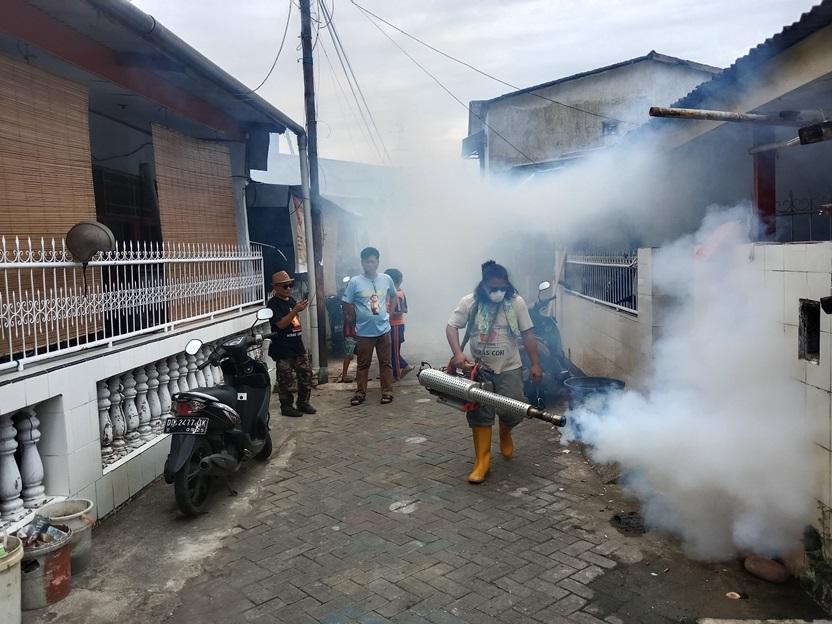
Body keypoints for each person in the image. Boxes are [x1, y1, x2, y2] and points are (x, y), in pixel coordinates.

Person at [446, 260, 543, 484]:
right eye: (493, 288)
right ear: (484, 285)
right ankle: (483, 462)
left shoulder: (516, 303)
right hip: (479, 369)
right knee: (480, 414)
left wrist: (536, 364)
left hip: (510, 366)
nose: (499, 292)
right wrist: (458, 356)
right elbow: (451, 327)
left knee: (514, 408)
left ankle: (506, 432)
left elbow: (528, 333)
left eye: (503, 288)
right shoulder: (469, 302)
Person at [342, 247, 397, 406]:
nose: (370, 264)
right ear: (362, 263)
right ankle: (360, 393)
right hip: (364, 332)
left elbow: (393, 295)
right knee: (363, 364)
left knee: (385, 363)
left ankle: (387, 392)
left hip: (383, 330)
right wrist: (351, 316)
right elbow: (346, 302)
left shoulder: (386, 279)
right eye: (367, 261)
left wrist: (391, 313)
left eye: (373, 261)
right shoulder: (355, 282)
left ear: (378, 262)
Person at [267, 270, 316, 417]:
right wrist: (295, 310)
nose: (289, 288)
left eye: (290, 285)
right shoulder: (273, 304)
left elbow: (295, 321)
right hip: (282, 348)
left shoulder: (292, 301)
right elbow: (280, 324)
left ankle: (303, 402)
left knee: (306, 375)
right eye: (285, 286)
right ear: (275, 287)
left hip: (297, 346)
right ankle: (287, 406)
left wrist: (297, 308)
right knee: (286, 380)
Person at [385, 268, 413, 381]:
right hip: (391, 325)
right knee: (391, 351)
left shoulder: (397, 293)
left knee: (394, 352)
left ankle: (396, 374)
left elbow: (402, 310)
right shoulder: (394, 292)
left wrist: (387, 313)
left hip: (395, 325)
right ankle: (402, 367)